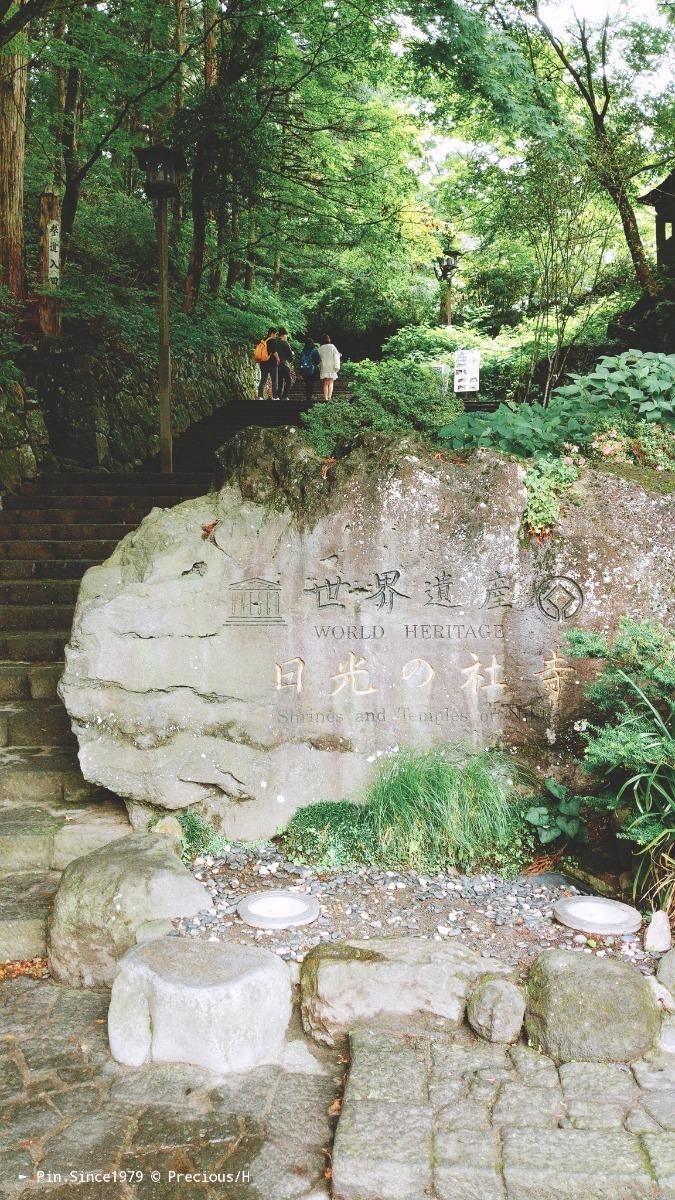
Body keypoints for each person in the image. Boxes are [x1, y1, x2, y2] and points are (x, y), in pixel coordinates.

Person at [255, 328, 280, 400]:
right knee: (274, 380)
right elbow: (274, 351)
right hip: (272, 363)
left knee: (263, 379)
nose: (276, 335)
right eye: (275, 334)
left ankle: (260, 396)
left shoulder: (263, 340)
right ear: (272, 333)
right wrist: (278, 359)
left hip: (263, 363)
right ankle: (275, 397)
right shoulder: (272, 340)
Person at [318, 334, 341, 400]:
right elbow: (337, 354)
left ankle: (325, 398)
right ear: (329, 339)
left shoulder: (320, 348)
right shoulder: (332, 346)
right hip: (332, 366)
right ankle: (329, 397)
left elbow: (318, 357)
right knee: (331, 382)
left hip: (324, 366)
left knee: (325, 383)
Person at [298, 337, 320, 402]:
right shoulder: (315, 351)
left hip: (304, 370)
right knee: (311, 383)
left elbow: (300, 360)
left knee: (307, 383)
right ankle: (309, 397)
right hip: (312, 370)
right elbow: (318, 360)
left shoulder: (303, 351)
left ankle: (307, 395)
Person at [276, 328, 295, 400]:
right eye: (286, 336)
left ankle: (278, 396)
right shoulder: (285, 343)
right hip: (284, 364)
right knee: (289, 381)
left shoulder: (275, 342)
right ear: (284, 335)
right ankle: (285, 396)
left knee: (279, 382)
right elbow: (290, 354)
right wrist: (292, 355)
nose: (286, 337)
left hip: (277, 365)